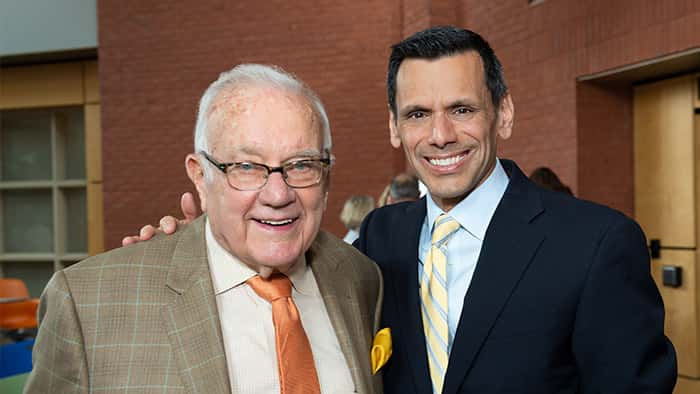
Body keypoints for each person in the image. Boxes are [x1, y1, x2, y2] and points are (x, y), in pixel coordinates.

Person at [125, 27, 677, 394]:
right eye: (417, 114)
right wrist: (192, 247)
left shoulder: (596, 244)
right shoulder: (378, 239)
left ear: (502, 114)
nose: (440, 136)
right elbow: (271, 260)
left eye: (461, 109)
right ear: (394, 127)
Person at [26, 64, 383, 394]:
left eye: (302, 165)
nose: (278, 194)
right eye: (246, 166)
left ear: (327, 175)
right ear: (200, 176)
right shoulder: (89, 305)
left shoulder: (360, 278)